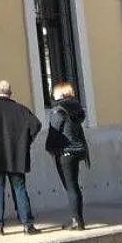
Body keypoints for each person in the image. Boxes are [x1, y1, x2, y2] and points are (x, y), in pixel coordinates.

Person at [0, 80, 42, 235]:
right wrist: (25, 143)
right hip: (16, 156)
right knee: (19, 188)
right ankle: (27, 225)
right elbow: (36, 125)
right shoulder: (20, 109)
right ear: (10, 93)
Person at [45, 81, 90, 231]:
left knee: (70, 187)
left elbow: (54, 131)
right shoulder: (77, 108)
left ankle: (77, 221)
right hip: (78, 150)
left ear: (62, 93)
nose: (52, 94)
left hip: (65, 151)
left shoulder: (58, 110)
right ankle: (79, 219)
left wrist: (49, 148)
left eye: (55, 91)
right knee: (74, 186)